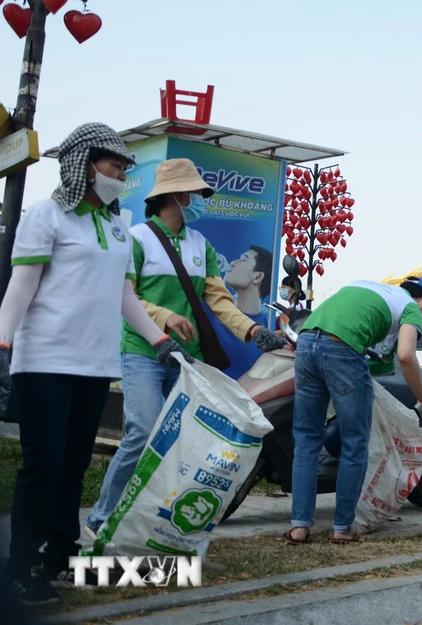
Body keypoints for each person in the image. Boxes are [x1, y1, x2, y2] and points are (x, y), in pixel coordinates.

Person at [0, 124, 189, 604]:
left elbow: (124, 295)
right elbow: (20, 288)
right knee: (42, 465)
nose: (122, 175)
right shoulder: (47, 216)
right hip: (44, 359)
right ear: (84, 165)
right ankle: (21, 570)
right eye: (114, 166)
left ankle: (62, 557)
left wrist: (159, 339)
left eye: (126, 168)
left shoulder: (117, 225)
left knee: (74, 463)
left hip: (94, 364)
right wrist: (2, 345)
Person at [86, 159, 286, 536]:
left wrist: (253, 331)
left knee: (175, 444)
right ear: (176, 196)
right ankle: (100, 519)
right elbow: (124, 296)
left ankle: (145, 521)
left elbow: (219, 301)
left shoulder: (201, 245)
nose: (199, 200)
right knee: (143, 432)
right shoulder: (138, 239)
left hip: (183, 360)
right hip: (143, 352)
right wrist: (163, 319)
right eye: (194, 193)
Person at [284, 276, 422, 545]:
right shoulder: (410, 307)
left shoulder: (367, 286)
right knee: (355, 443)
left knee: (307, 440)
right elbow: (405, 355)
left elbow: (376, 360)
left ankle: (299, 527)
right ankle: (343, 528)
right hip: (341, 348)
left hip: (307, 341)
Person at [215, 244, 275, 379]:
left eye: (243, 260)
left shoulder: (265, 328)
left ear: (257, 277)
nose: (233, 263)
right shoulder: (213, 310)